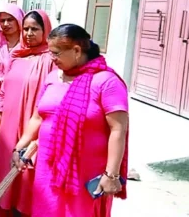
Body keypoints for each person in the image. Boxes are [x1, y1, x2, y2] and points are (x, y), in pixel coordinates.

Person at [13, 24, 129, 217]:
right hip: (48, 169)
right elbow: (37, 117)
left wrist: (111, 175)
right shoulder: (53, 77)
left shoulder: (106, 82)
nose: (52, 59)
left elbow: (118, 130)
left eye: (56, 53)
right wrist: (18, 148)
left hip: (84, 173)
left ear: (76, 51)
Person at [0, 10, 55, 217]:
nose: (28, 33)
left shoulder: (53, 60)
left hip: (33, 130)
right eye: (25, 29)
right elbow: (3, 93)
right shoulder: (15, 57)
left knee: (27, 180)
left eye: (35, 29)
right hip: (7, 131)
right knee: (4, 181)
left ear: (46, 31)